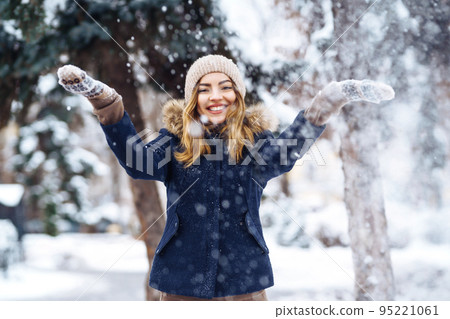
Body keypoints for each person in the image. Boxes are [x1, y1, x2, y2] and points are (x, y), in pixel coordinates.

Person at [57, 55, 394, 301]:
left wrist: (333, 97)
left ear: (238, 95)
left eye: (225, 87)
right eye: (204, 89)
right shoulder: (175, 142)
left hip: (244, 278)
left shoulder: (256, 144)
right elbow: (135, 161)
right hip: (181, 279)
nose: (215, 96)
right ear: (193, 99)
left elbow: (291, 149)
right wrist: (103, 99)